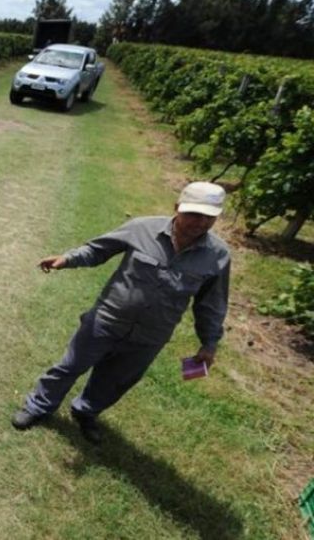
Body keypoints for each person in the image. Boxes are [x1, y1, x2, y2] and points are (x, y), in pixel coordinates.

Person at [12, 182, 231, 444]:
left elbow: (212, 304)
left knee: (116, 381)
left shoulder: (218, 255)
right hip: (108, 319)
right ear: (177, 208)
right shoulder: (142, 228)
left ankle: (85, 412)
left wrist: (209, 342)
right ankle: (38, 406)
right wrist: (68, 259)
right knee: (70, 366)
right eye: (194, 214)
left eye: (209, 217)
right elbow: (98, 249)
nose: (201, 222)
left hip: (151, 334)